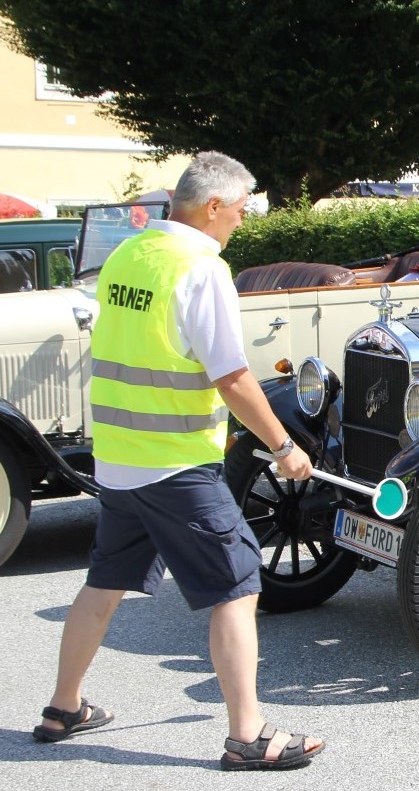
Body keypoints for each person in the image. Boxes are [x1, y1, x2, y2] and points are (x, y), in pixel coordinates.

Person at [32, 152, 326, 771]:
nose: (241, 224)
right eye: (241, 211)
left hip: (118, 459)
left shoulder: (127, 256)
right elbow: (234, 378)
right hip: (174, 464)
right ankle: (249, 735)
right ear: (212, 206)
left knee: (104, 583)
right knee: (239, 586)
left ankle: (64, 707)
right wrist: (284, 446)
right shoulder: (202, 269)